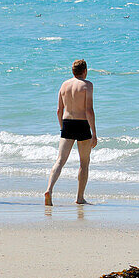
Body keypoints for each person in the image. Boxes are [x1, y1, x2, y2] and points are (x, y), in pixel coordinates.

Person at [45, 59, 97, 206]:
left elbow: (58, 110)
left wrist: (63, 128)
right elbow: (89, 110)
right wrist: (94, 132)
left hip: (67, 123)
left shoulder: (64, 85)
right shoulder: (87, 85)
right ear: (85, 71)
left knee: (60, 160)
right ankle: (80, 198)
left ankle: (49, 189)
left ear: (73, 71)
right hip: (82, 124)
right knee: (84, 163)